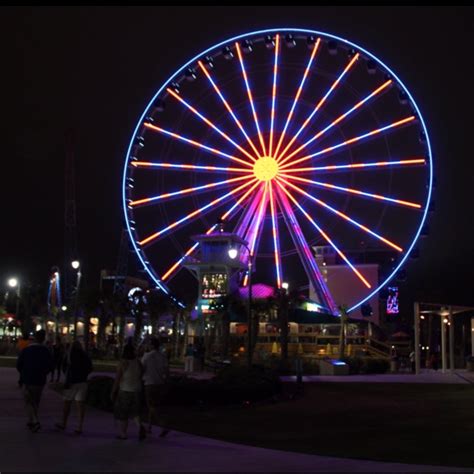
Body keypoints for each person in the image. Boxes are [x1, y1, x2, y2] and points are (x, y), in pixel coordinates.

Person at [16, 329, 54, 432]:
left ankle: (35, 421)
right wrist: (44, 373)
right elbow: (51, 366)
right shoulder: (46, 351)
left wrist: (23, 373)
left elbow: (19, 364)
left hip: (28, 378)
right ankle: (31, 421)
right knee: (35, 401)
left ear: (35, 338)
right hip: (40, 380)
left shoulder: (27, 350)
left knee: (28, 401)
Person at [111, 342, 147, 440]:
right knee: (135, 412)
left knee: (123, 413)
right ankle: (140, 427)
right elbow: (142, 373)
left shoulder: (123, 363)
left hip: (125, 390)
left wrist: (113, 391)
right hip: (137, 390)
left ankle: (123, 434)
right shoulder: (138, 362)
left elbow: (118, 379)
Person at [55, 341, 93, 434]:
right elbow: (90, 368)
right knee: (80, 405)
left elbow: (63, 367)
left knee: (67, 404)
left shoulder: (69, 355)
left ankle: (64, 423)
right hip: (82, 382)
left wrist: (67, 375)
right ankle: (79, 426)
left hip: (71, 382)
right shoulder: (85, 356)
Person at [141, 337, 170, 436]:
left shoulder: (147, 356)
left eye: (149, 344)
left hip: (149, 383)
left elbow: (142, 369)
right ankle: (149, 427)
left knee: (152, 406)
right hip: (160, 383)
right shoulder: (163, 356)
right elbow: (167, 371)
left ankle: (163, 426)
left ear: (152, 345)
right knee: (154, 406)